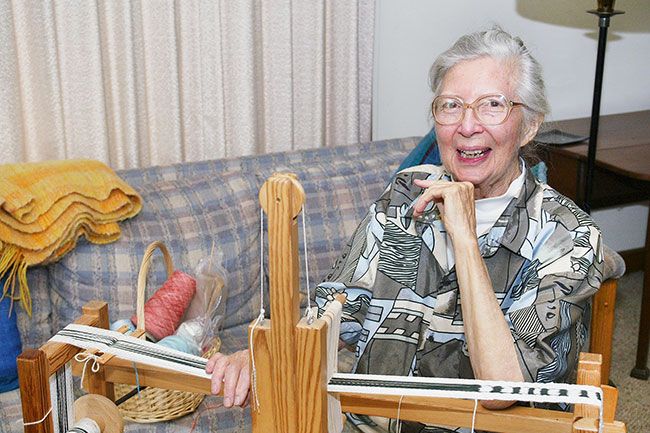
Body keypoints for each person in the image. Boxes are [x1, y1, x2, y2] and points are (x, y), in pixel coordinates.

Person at [206, 27, 604, 432]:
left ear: (530, 125)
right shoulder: (406, 194)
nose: (467, 126)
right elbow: (339, 305)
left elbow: (502, 390)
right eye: (451, 106)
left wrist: (464, 238)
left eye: (491, 106)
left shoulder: (567, 236)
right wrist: (270, 349)